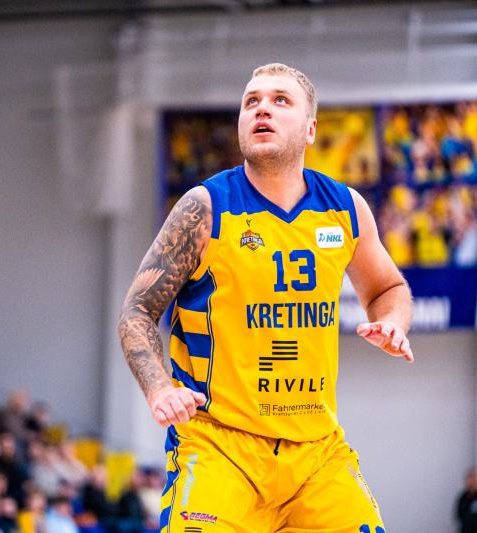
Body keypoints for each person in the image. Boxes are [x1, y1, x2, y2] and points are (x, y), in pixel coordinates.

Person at [118, 63, 413, 532]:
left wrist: (393, 322)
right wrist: (160, 389)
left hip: (316, 453)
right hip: (220, 446)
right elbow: (137, 311)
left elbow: (388, 288)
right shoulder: (204, 208)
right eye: (251, 101)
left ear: (311, 129)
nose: (261, 109)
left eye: (280, 100)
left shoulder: (346, 208)